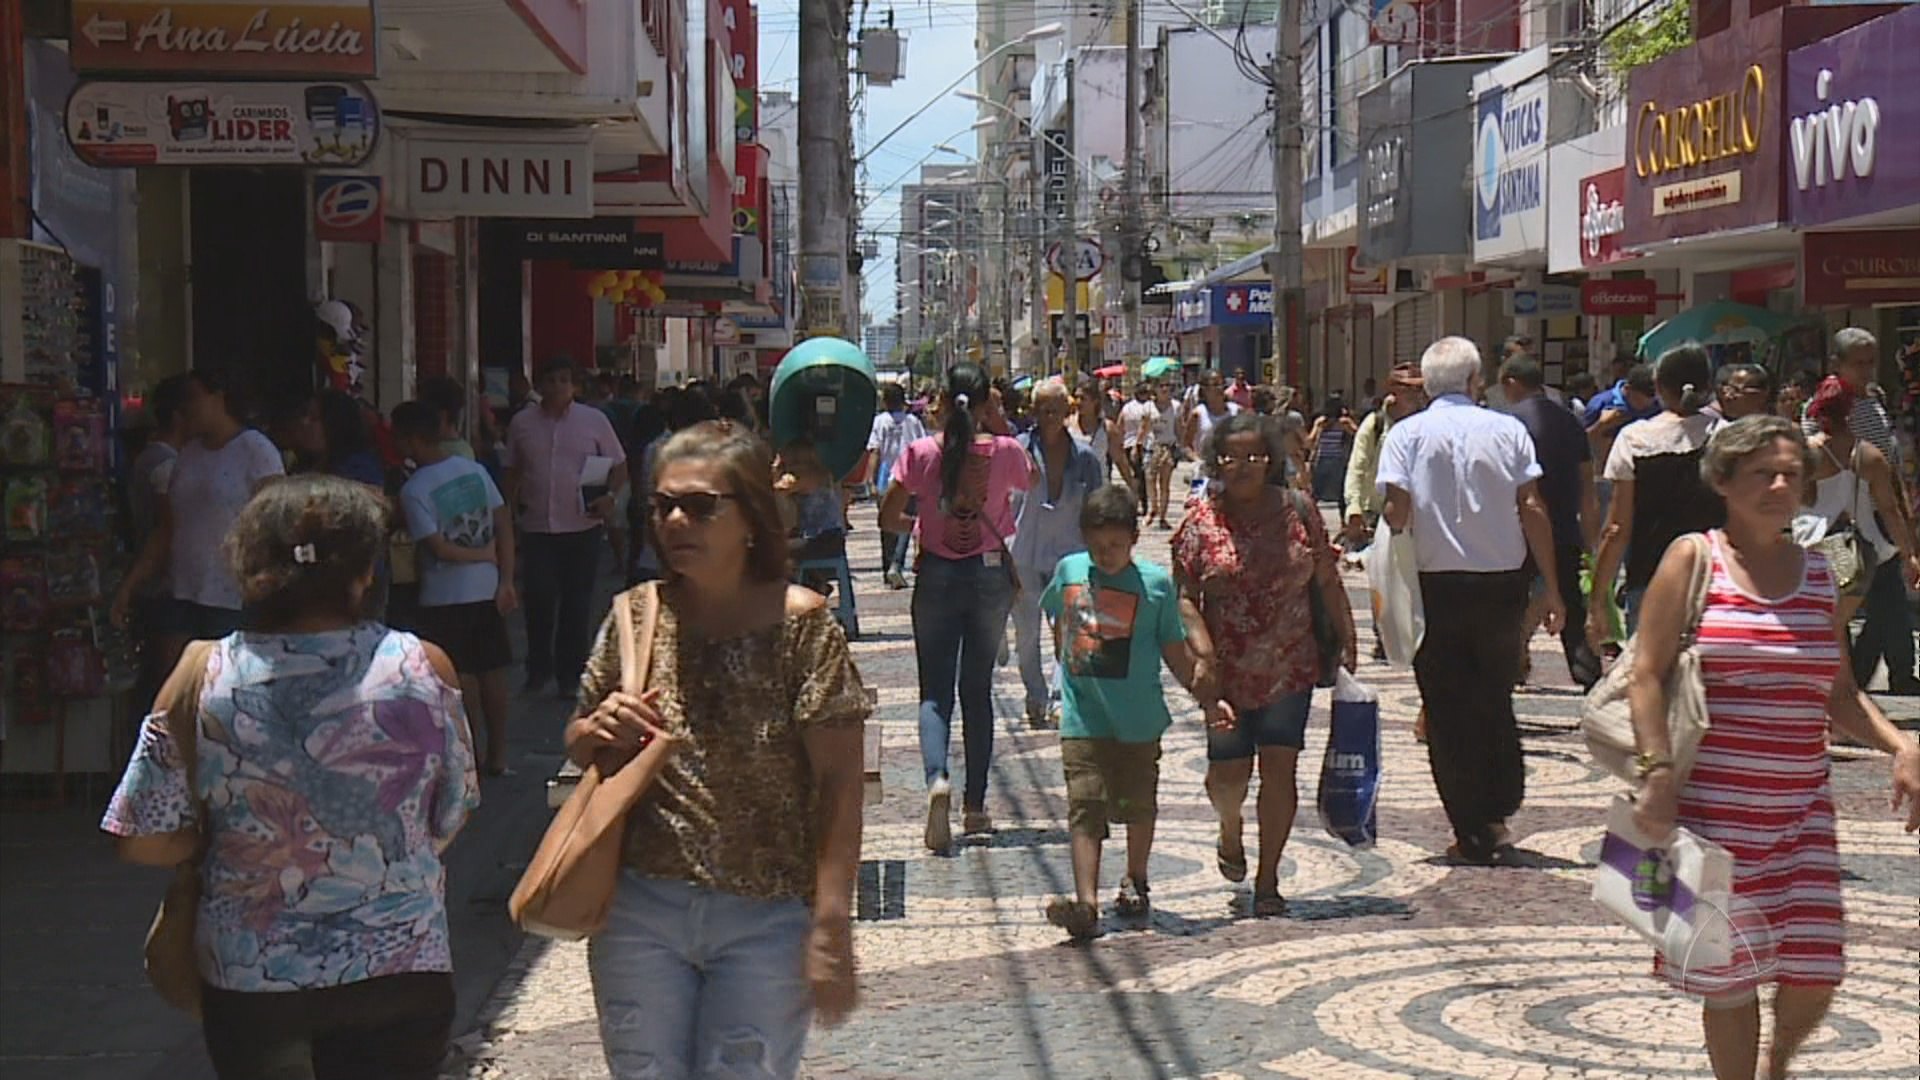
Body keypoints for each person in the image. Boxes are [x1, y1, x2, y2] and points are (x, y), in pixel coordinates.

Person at [103, 476, 478, 1079]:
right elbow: (451, 815)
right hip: (401, 970)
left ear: (250, 569)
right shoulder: (421, 667)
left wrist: (238, 841)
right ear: (364, 573)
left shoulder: (202, 673)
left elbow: (141, 839)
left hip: (253, 980)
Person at [569, 423, 867, 1078]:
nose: (677, 519)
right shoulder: (634, 616)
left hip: (766, 916)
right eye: (663, 504)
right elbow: (580, 737)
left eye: (701, 505)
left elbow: (840, 785)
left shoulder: (803, 627)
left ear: (751, 519)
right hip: (640, 910)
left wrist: (831, 922)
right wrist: (598, 730)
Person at [1626, 415, 1920, 1080]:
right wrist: (1658, 772)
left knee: (1816, 971)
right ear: (1724, 482)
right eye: (1763, 473)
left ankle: (1775, 1064)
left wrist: (1901, 744)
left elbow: (1840, 694)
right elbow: (1646, 673)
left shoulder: (1820, 577)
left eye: (1792, 474)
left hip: (1799, 815)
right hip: (1711, 817)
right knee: (1729, 982)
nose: (1781, 485)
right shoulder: (1692, 559)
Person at [1377, 337, 1565, 866]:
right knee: (1494, 695)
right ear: (1474, 382)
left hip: (1435, 589)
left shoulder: (1406, 434)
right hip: (1500, 587)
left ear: (1427, 385)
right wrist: (1550, 585)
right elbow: (1532, 506)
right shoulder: (1508, 430)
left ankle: (1469, 823)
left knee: (1445, 705)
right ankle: (1499, 804)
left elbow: (1396, 510)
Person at [1172, 413, 1356, 915]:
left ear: (1270, 459)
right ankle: (1229, 828)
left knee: (1280, 767)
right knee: (1227, 775)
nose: (1244, 467)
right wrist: (1201, 652)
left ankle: (1268, 879)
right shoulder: (1200, 523)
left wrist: (1345, 632)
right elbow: (1184, 594)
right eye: (1231, 458)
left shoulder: (1298, 509)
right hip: (1226, 671)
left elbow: (1324, 573)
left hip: (1290, 663)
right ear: (1217, 462)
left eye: (1254, 457)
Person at [1041, 484, 1220, 939]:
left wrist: (1206, 698)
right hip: (1083, 721)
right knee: (1085, 805)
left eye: (1116, 546)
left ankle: (1135, 878)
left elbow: (1174, 652)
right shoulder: (1069, 571)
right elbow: (1057, 619)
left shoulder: (1155, 585)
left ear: (1133, 540)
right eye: (1098, 546)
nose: (1106, 555)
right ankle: (1086, 903)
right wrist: (1065, 674)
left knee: (1137, 804)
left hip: (1139, 722)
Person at [879, 363, 1033, 851]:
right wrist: (1000, 422)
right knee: (977, 691)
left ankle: (936, 780)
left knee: (934, 694)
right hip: (988, 576)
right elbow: (1031, 483)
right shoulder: (1006, 452)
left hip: (937, 575)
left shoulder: (920, 453)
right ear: (986, 400)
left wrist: (923, 527)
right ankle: (975, 806)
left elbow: (888, 515)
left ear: (941, 401)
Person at [111, 370, 286, 662]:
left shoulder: (256, 450)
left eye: (192, 398)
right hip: (182, 588)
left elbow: (275, 521)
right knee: (177, 680)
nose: (186, 409)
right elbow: (166, 527)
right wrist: (131, 584)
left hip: (231, 594)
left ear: (218, 397)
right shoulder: (188, 455)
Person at [394, 401, 519, 777]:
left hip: (443, 595)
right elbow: (503, 524)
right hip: (487, 587)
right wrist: (506, 577)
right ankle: (498, 754)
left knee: (460, 675)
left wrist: (479, 553)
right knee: (493, 671)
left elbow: (437, 547)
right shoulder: (474, 470)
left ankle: (468, 756)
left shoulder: (414, 488)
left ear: (412, 440)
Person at [504, 356, 628, 698]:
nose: (558, 387)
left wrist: (611, 498)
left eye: (564, 380)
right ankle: (538, 668)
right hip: (537, 526)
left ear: (575, 386)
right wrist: (508, 516)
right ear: (540, 385)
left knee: (577, 602)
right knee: (539, 599)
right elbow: (512, 471)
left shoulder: (594, 421)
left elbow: (619, 465)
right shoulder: (522, 423)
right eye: (551, 380)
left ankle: (570, 673)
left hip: (581, 525)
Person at [1587, 344, 1725, 643]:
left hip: (1650, 578)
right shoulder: (1729, 437)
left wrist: (1598, 598)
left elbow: (1616, 528)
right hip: (1717, 579)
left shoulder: (1635, 439)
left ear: (1659, 387)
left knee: (1649, 676)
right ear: (1708, 387)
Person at [1814, 328, 1918, 695]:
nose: (1866, 370)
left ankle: (1893, 672)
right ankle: (1858, 677)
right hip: (1844, 525)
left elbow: (1888, 463)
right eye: (1857, 363)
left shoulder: (1874, 401)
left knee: (1888, 599)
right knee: (1855, 601)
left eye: (1870, 362)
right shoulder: (1827, 408)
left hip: (1882, 514)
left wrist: (1905, 514)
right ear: (1836, 363)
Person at [1797, 377, 1920, 662]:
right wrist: (1909, 554)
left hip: (1813, 544)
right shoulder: (1870, 455)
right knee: (1887, 607)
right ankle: (1890, 672)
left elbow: (1800, 500)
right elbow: (1889, 509)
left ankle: (1844, 672)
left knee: (1827, 617)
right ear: (1850, 412)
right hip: (1865, 544)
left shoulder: (1806, 453)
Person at [1501, 355, 1602, 690]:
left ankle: (1509, 666)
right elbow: (1587, 486)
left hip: (1517, 532)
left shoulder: (1506, 423)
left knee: (1510, 606)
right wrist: (1591, 541)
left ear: (1512, 383)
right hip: (1564, 531)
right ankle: (1588, 675)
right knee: (1572, 607)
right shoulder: (1571, 422)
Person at [1010, 382, 1107, 729]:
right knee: (1026, 633)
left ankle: (1056, 697)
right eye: (1042, 410)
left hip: (1071, 554)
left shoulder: (1085, 458)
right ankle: (1035, 693)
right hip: (1023, 552)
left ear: (1067, 412)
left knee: (1068, 627)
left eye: (1055, 410)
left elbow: (1099, 506)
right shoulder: (1017, 451)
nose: (1048, 417)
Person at [1342, 364, 1425, 549]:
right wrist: (1354, 509)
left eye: (1419, 388)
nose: (1415, 393)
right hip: (1377, 516)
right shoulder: (1375, 424)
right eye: (1408, 387)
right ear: (1393, 389)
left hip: (1417, 518)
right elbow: (1357, 468)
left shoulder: (1426, 424)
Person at [866, 382, 927, 589]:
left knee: (886, 524)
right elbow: (922, 450)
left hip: (886, 480)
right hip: (910, 480)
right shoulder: (913, 422)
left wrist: (871, 480)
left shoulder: (879, 421)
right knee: (906, 525)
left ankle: (888, 568)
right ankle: (896, 565)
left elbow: (875, 451)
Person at [1180, 370, 1240, 499]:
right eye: (1214, 384)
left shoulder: (1236, 411)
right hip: (1204, 471)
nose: (1219, 388)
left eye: (1221, 384)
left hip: (1230, 469)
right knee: (1197, 505)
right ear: (1205, 389)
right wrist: (1197, 460)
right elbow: (1186, 445)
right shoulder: (1198, 414)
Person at [1306, 393, 1358, 516]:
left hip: (1333, 459)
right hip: (1330, 459)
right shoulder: (1323, 422)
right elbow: (1311, 440)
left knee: (1328, 492)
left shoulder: (1340, 421)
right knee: (1322, 491)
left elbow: (1357, 434)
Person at [1144, 381, 1180, 529]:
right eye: (1161, 386)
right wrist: (1137, 445)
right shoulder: (1148, 406)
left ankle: (1163, 516)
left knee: (1164, 483)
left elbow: (1179, 428)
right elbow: (1144, 427)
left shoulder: (1176, 406)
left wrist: (1182, 446)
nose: (1164, 389)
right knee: (1149, 479)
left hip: (1168, 447)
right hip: (1152, 447)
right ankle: (1153, 507)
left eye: (1167, 386)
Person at [1108, 383, 1149, 509]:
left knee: (1135, 475)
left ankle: (1138, 500)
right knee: (1142, 476)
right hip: (1144, 445)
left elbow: (1120, 425)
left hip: (1127, 444)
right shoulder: (1149, 407)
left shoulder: (1127, 407)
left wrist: (1119, 442)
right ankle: (1142, 501)